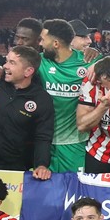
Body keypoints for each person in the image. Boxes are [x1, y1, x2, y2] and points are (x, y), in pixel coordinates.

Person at [0, 46, 54, 184]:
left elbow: (43, 136)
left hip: (12, 166)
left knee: (6, 205)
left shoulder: (41, 99)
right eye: (6, 61)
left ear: (28, 71)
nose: (5, 66)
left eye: (12, 63)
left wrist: (41, 164)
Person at [36, 19, 96, 174]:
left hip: (74, 144)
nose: (41, 44)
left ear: (56, 43)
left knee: (73, 194)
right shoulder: (39, 61)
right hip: (42, 143)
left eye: (43, 40)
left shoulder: (87, 62)